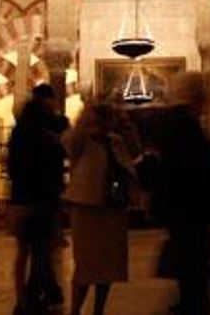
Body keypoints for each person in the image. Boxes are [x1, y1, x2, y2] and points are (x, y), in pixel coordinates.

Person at [63, 102, 138, 315]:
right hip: (88, 210)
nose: (104, 123)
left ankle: (99, 310)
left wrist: (127, 124)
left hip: (112, 209)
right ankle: (75, 310)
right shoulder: (80, 140)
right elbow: (68, 142)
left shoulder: (116, 141)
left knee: (108, 267)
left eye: (107, 118)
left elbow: (135, 151)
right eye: (101, 118)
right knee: (86, 266)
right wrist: (85, 118)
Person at [154, 71, 210, 315]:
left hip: (180, 206)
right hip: (188, 206)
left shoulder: (174, 121)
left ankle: (190, 302)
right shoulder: (183, 123)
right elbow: (192, 168)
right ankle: (194, 306)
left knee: (189, 261)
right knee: (193, 262)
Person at [7, 84, 67, 315]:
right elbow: (57, 161)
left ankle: (23, 300)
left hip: (20, 199)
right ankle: (35, 298)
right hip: (42, 201)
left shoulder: (18, 133)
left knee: (23, 253)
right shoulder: (48, 138)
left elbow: (13, 167)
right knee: (42, 251)